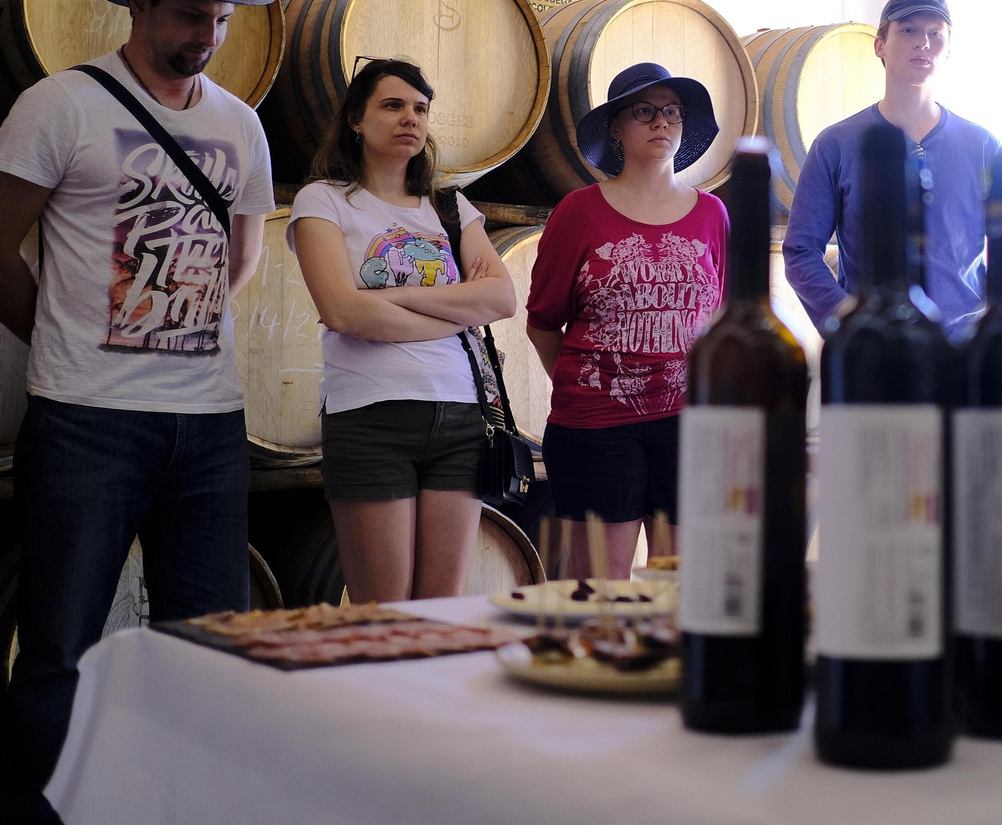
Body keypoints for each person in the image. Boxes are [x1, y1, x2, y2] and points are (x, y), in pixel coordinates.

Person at [0, 0, 276, 820]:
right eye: (190, 15)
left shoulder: (239, 123)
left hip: (210, 422)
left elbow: (244, 253)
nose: (207, 36)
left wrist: (185, 320)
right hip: (86, 417)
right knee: (60, 647)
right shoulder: (61, 106)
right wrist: (59, 332)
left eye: (221, 20)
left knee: (208, 644)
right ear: (139, 2)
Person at [288, 59, 516, 604]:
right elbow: (343, 312)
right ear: (356, 120)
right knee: (383, 611)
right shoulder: (323, 200)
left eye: (420, 108)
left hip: (461, 416)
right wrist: (455, 311)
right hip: (371, 415)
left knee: (441, 607)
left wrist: (391, 298)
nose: (410, 118)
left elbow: (501, 299)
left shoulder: (449, 207)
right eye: (392, 105)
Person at [524, 62, 727, 580]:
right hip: (595, 427)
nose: (661, 122)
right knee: (601, 594)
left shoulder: (713, 214)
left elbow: (721, 317)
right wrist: (588, 386)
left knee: (679, 589)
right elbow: (542, 321)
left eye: (672, 112)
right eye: (644, 111)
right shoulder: (579, 211)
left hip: (689, 422)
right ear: (616, 126)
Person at [783, 0, 1002, 338]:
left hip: (965, 349)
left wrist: (997, 327)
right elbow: (801, 251)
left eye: (936, 33)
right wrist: (846, 320)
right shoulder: (836, 144)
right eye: (908, 30)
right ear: (880, 45)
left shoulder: (983, 146)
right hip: (874, 345)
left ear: (949, 47)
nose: (923, 42)